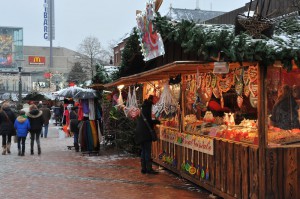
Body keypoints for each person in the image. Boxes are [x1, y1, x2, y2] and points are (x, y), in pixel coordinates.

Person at [135, 95, 160, 174]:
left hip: (140, 132)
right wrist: (158, 121)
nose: (157, 100)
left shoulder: (143, 107)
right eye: (156, 99)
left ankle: (144, 168)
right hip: (146, 132)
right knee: (147, 150)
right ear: (152, 100)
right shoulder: (150, 107)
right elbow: (150, 120)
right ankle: (149, 169)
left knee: (143, 150)